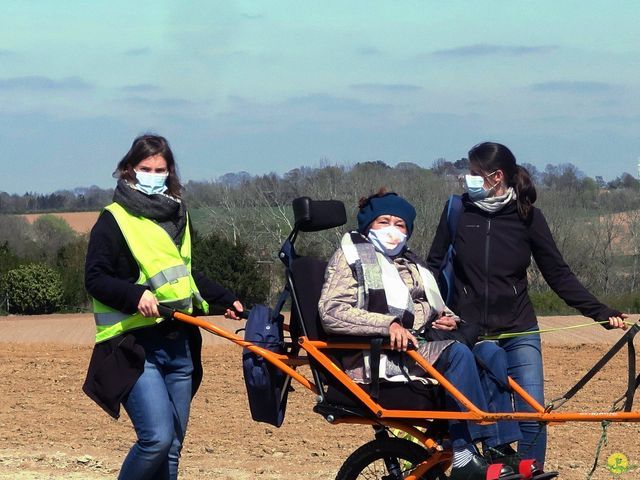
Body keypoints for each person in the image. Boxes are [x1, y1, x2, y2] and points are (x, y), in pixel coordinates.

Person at [319, 190, 553, 480]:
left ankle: (499, 449)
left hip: (418, 347)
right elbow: (332, 311)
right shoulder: (350, 257)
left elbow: (426, 307)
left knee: (490, 352)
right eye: (384, 221)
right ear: (368, 225)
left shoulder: (412, 264)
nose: (393, 229)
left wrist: (444, 318)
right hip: (378, 355)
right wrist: (387, 325)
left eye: (400, 224)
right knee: (457, 355)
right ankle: (465, 457)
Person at [427, 141, 628, 468]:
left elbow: (558, 274)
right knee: (486, 416)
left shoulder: (528, 217)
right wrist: (432, 311)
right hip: (470, 334)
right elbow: (433, 268)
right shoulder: (457, 212)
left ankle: (529, 472)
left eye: (475, 173)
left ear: (496, 177)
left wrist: (601, 313)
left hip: (520, 331)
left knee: (532, 413)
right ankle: (493, 470)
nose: (468, 179)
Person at [83, 134, 244, 480]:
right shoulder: (113, 219)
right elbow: (95, 278)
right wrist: (135, 295)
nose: (153, 174)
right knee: (156, 439)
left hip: (180, 345)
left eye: (160, 169)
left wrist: (225, 297)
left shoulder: (176, 216)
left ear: (170, 172)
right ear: (129, 170)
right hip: (137, 345)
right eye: (145, 168)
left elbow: (184, 274)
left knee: (172, 448)